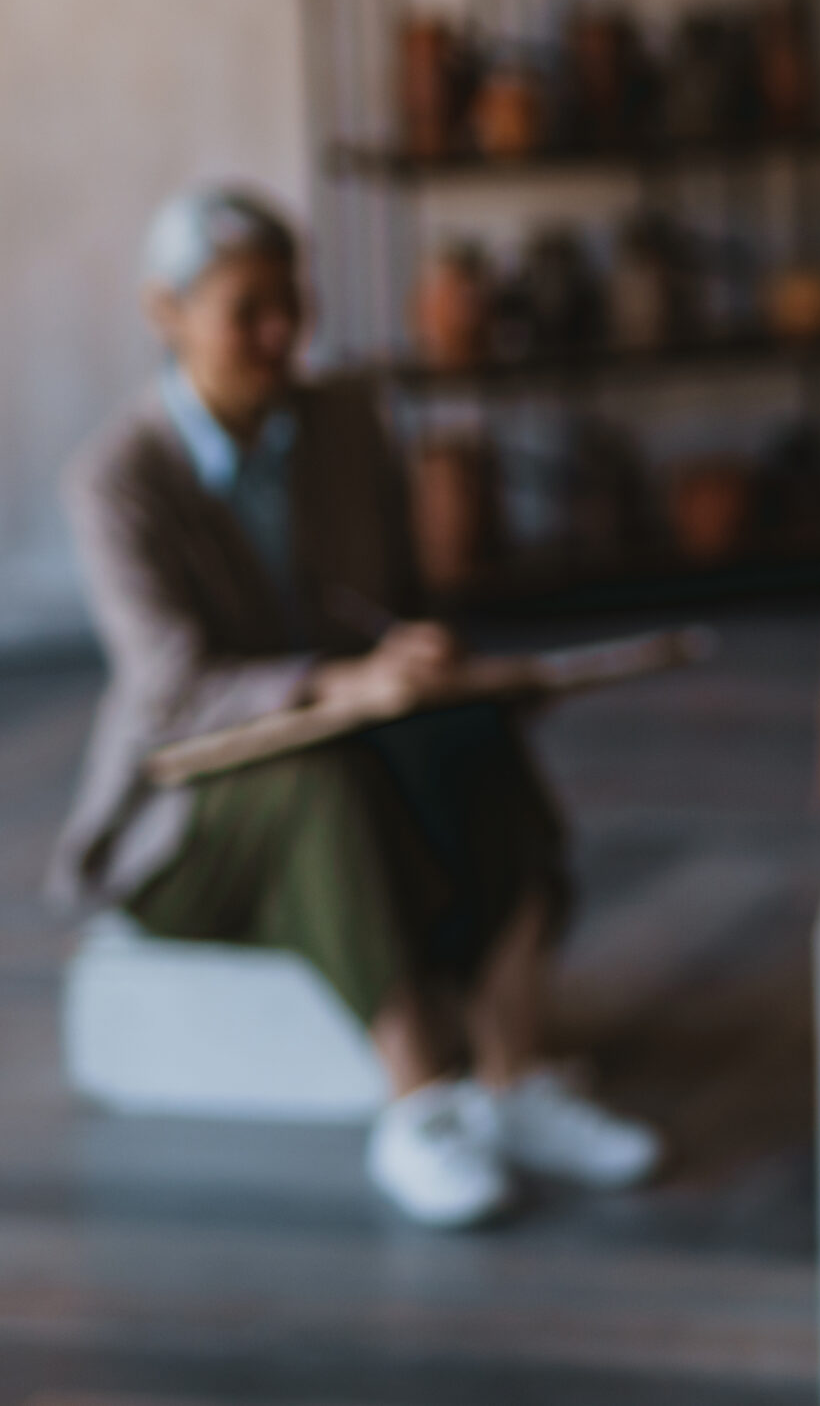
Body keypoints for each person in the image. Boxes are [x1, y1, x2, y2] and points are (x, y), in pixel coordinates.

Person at [53, 187, 661, 1227]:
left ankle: (514, 1074)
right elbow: (169, 690)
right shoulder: (118, 478)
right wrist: (339, 684)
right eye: (249, 309)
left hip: (357, 743)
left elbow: (391, 605)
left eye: (293, 302)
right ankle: (419, 1097)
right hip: (188, 818)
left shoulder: (345, 423)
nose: (281, 333)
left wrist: (414, 654)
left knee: (474, 731)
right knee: (311, 780)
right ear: (167, 311)